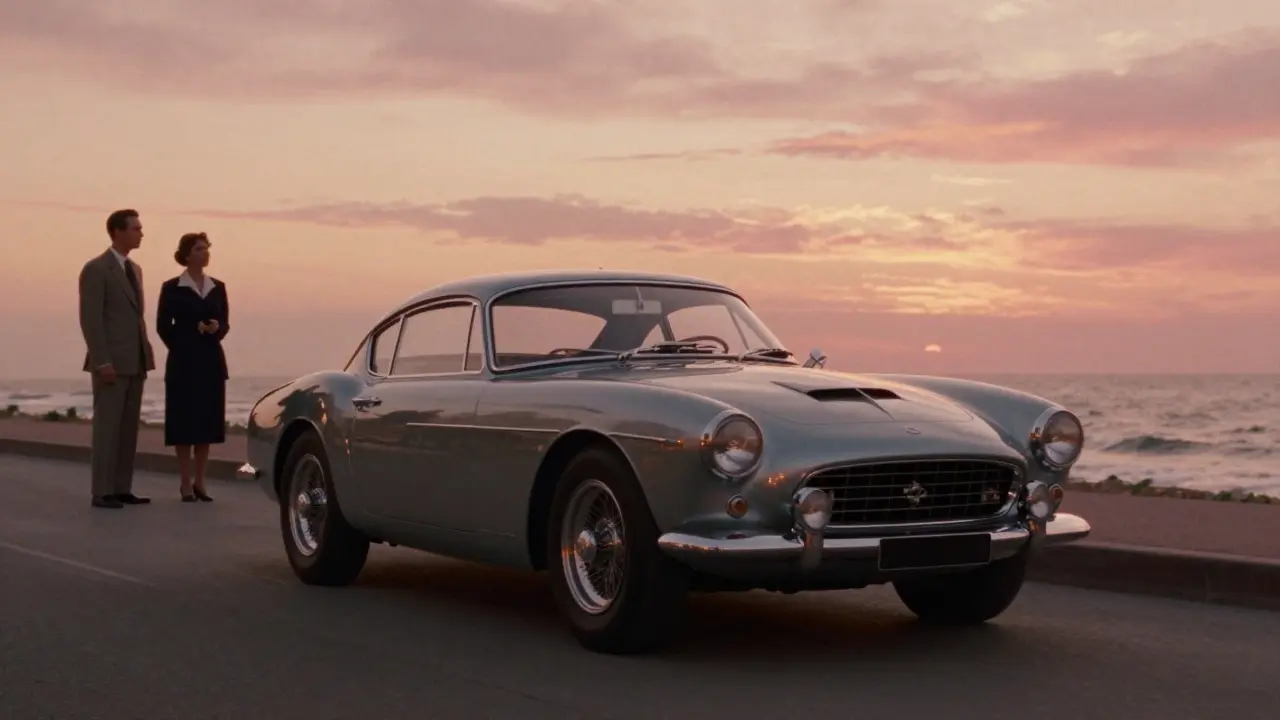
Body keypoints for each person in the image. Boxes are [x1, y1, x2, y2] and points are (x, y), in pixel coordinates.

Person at [78, 209, 156, 509]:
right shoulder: (97, 269)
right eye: (136, 228)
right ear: (117, 232)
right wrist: (102, 361)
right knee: (107, 429)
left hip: (134, 360)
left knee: (127, 430)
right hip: (110, 362)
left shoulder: (135, 269)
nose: (141, 233)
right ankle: (102, 490)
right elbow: (91, 320)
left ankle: (122, 488)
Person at [156, 233, 229, 502]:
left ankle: (201, 481)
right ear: (187, 255)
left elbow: (225, 323)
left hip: (211, 361)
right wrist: (189, 332)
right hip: (183, 362)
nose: (205, 253)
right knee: (184, 423)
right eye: (199, 249)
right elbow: (163, 326)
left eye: (206, 248)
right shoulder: (172, 287)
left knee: (206, 424)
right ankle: (185, 482)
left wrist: (215, 328)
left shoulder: (217, 286)